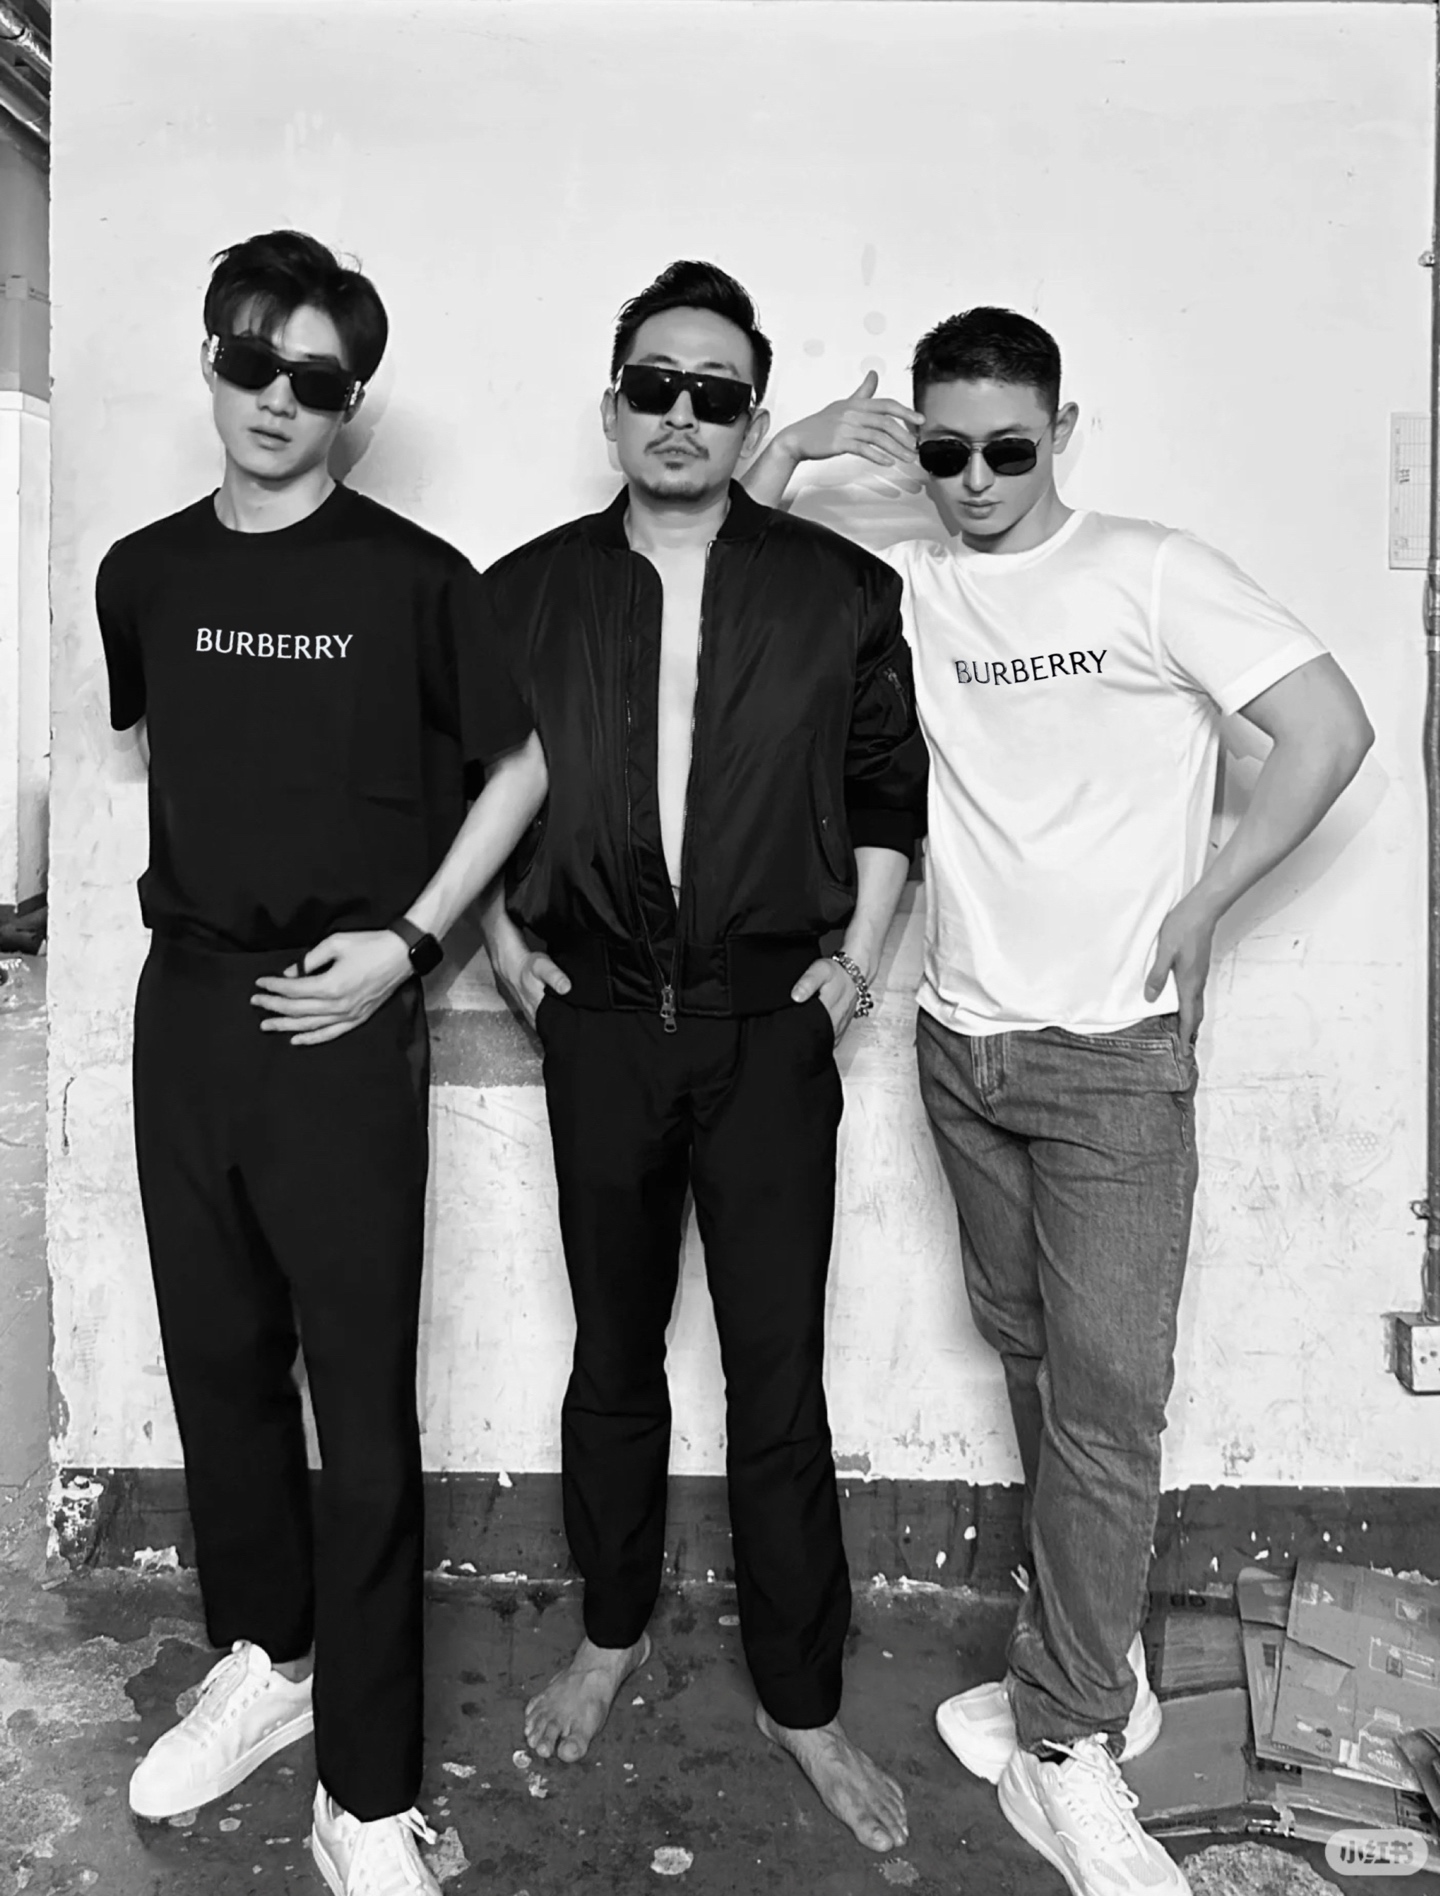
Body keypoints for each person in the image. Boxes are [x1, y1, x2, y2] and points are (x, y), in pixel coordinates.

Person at [743, 306, 1373, 1896]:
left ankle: (1069, 1738)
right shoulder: (910, 582)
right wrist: (798, 447)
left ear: (1063, 434)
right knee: (1033, 1365)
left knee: (1106, 1410)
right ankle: (1091, 1657)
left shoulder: (1148, 571)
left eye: (1008, 450)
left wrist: (1211, 899)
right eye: (945, 451)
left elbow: (1330, 726)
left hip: (1111, 1062)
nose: (974, 479)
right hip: (962, 1049)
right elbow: (710, 555)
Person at [95, 229, 548, 1896]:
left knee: (358, 1407)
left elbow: (520, 768)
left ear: (354, 403)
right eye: (250, 361)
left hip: (344, 1020)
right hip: (188, 1008)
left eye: (316, 379)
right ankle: (269, 1663)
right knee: (218, 1363)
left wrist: (412, 943)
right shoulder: (142, 574)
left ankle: (365, 1790)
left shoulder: (417, 579)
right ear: (210, 359)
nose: (276, 398)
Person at [478, 260, 928, 1854]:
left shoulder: (835, 591)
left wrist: (848, 974)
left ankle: (803, 1699)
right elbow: (472, 789)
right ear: (613, 405)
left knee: (775, 1373)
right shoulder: (523, 592)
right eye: (654, 387)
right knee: (612, 1359)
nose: (681, 414)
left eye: (715, 395)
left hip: (766, 1030)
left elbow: (887, 798)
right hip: (598, 1024)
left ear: (749, 417)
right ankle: (610, 1631)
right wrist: (502, 949)